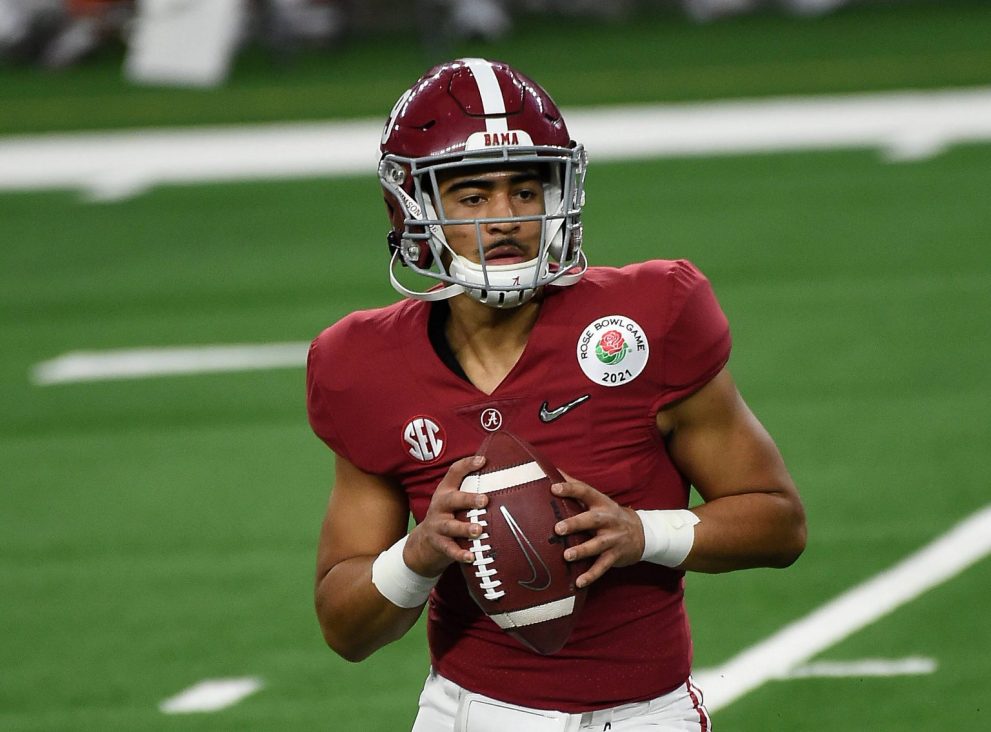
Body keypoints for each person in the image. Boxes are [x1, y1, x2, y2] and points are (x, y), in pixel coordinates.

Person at [307, 57, 807, 731]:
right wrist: (419, 553)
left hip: (644, 718)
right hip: (470, 715)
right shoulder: (362, 363)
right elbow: (346, 629)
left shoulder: (649, 317)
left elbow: (779, 523)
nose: (506, 217)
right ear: (415, 208)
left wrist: (641, 533)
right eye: (472, 196)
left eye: (525, 189)